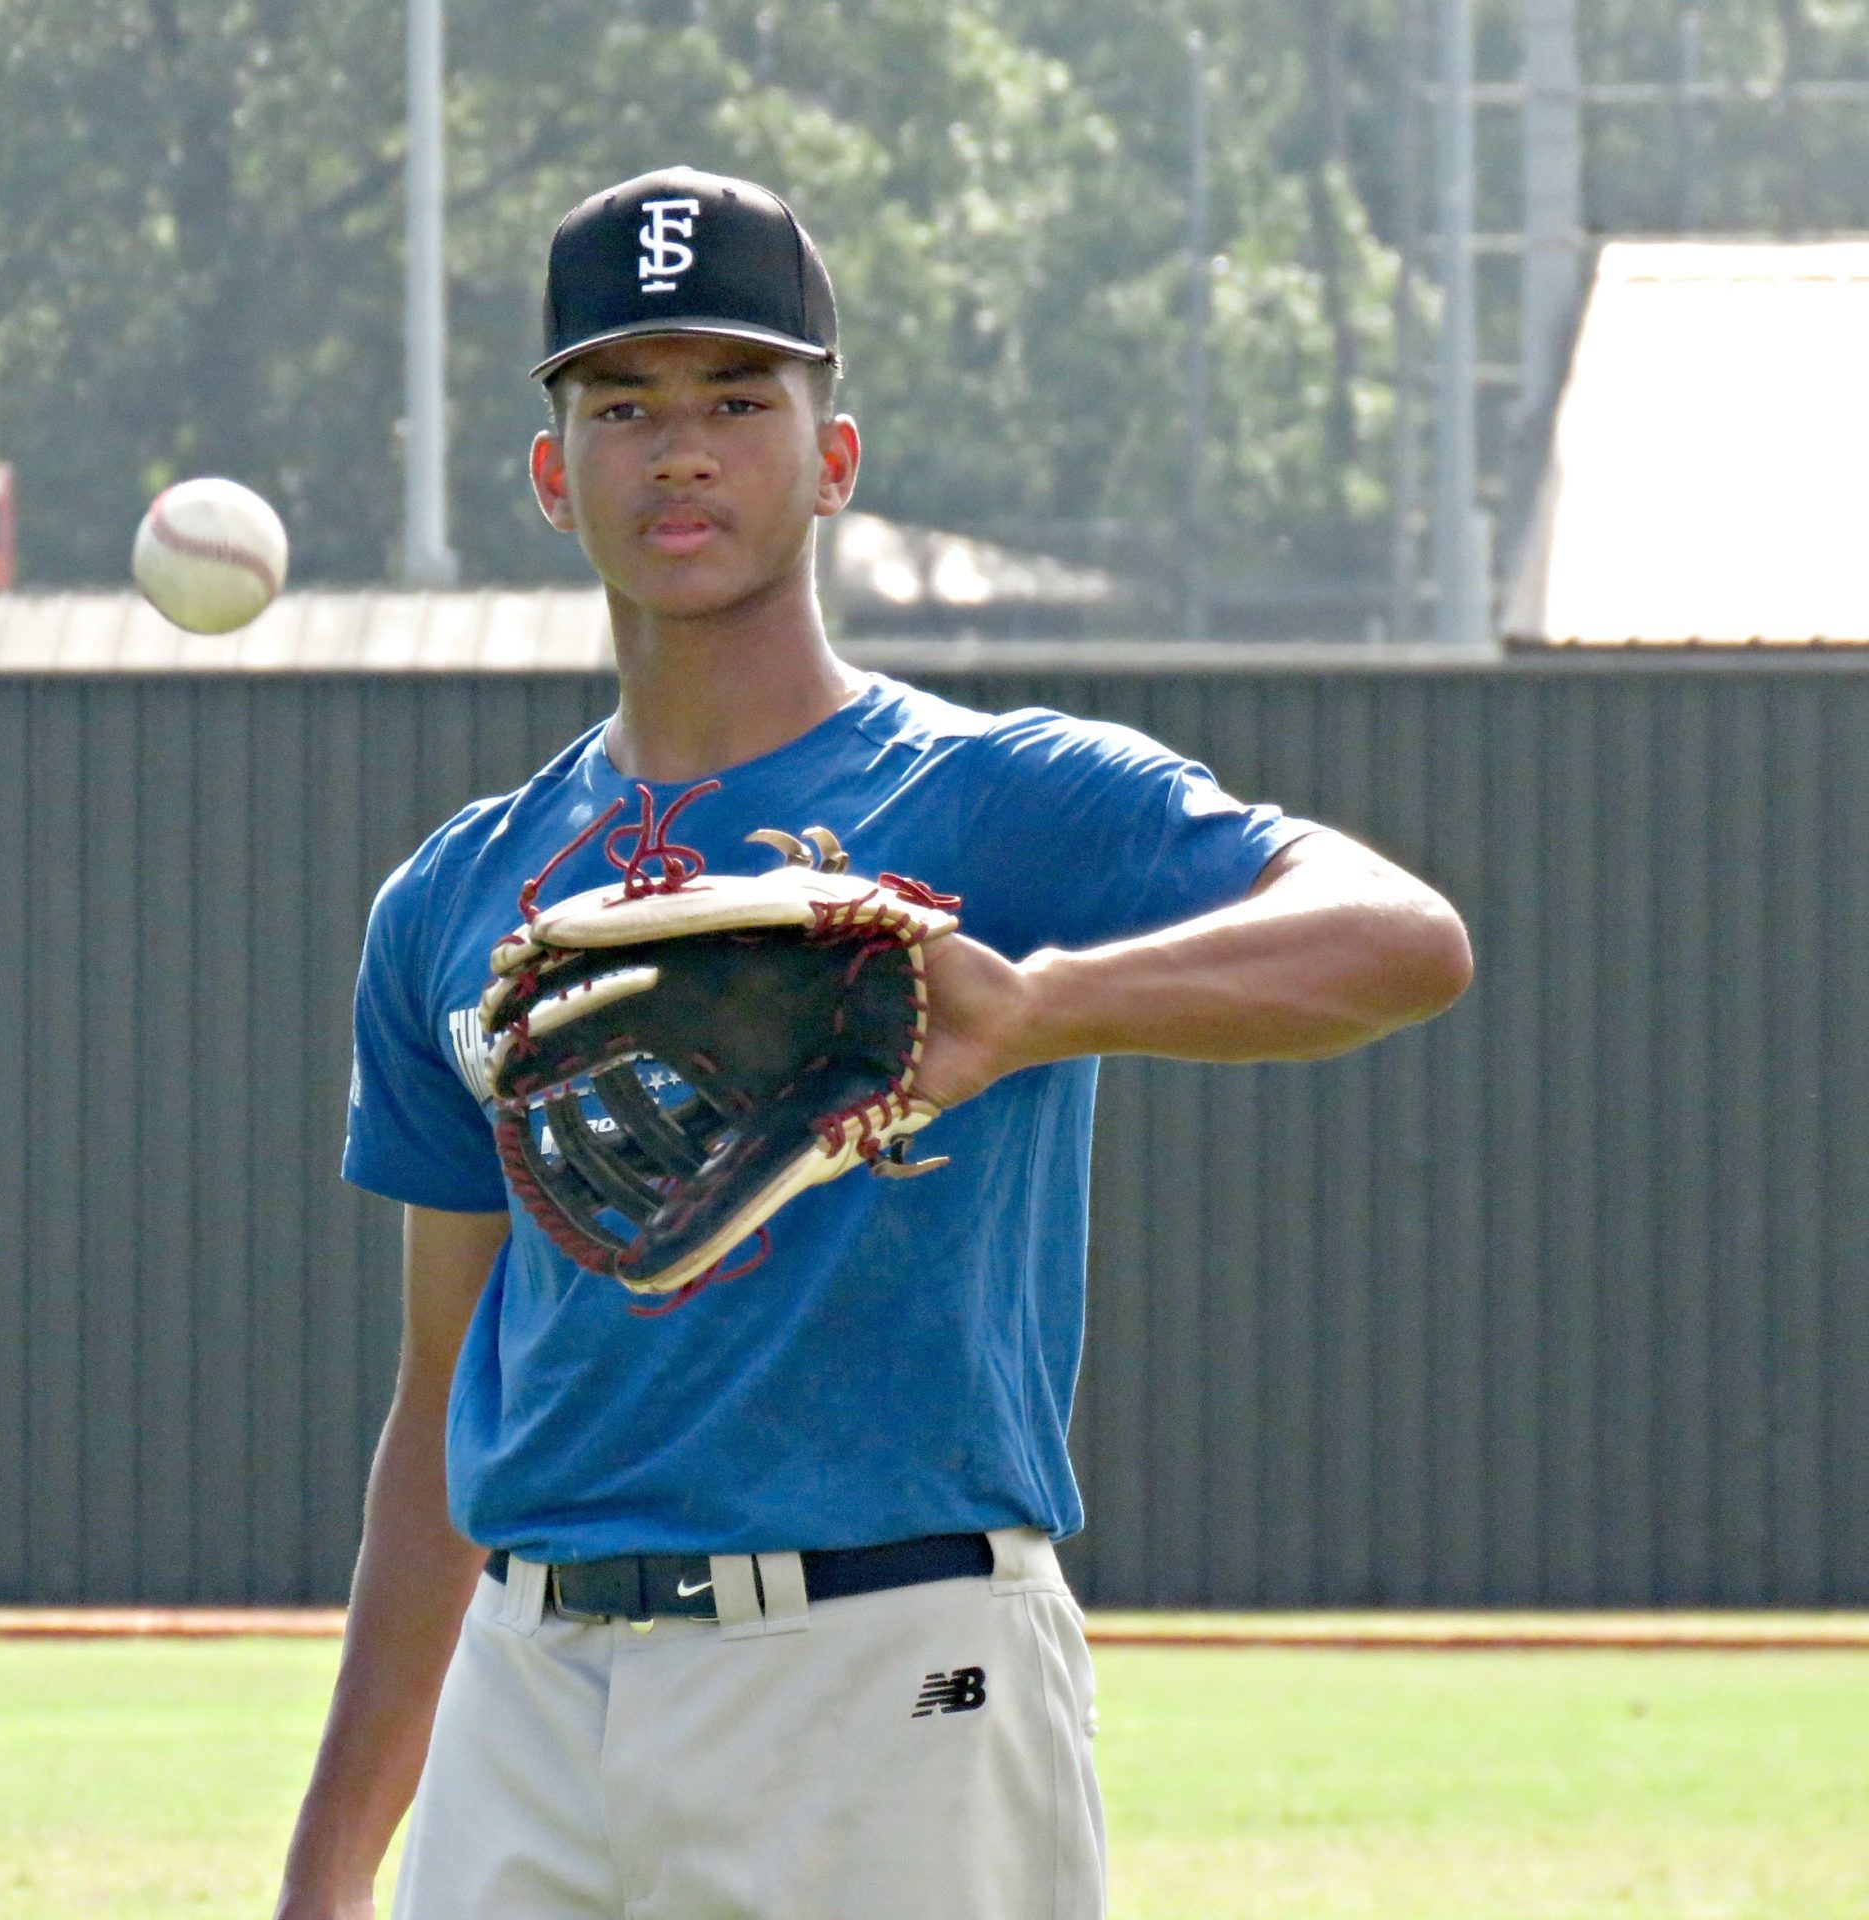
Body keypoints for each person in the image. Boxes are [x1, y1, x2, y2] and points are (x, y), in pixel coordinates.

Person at [272, 167, 1471, 1920]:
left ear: (834, 459)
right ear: (553, 478)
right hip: (531, 1691)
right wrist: (325, 1875)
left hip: (885, 1664)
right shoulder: (457, 897)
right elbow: (444, 1408)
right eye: (625, 406)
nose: (681, 450)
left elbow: (1402, 940)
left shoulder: (998, 799)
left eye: (739, 400)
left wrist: (1045, 1006)